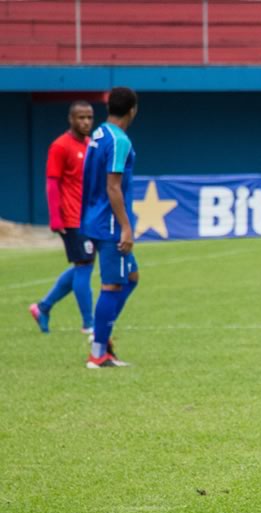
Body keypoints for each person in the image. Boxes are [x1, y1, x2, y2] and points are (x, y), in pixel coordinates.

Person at [81, 87, 140, 368]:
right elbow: (113, 186)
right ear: (133, 110)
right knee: (112, 284)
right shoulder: (119, 141)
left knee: (131, 278)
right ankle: (98, 351)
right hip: (111, 223)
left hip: (95, 217)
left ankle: (103, 336)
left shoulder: (99, 133)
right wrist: (126, 228)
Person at [29, 101, 96, 335]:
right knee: (84, 265)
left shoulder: (90, 145)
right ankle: (89, 324)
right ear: (71, 119)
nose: (86, 122)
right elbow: (52, 183)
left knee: (83, 266)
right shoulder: (60, 146)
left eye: (89, 117)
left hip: (88, 217)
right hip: (71, 217)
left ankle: (43, 307)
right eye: (81, 117)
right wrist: (56, 218)